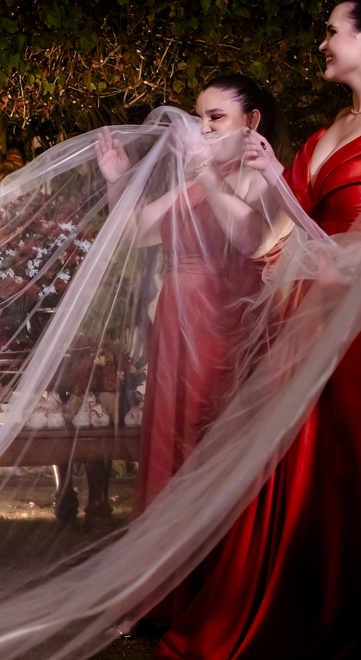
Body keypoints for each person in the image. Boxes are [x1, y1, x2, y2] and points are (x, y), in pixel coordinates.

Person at [156, 0, 361, 659]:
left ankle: (357, 613)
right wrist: (253, 178)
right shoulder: (325, 136)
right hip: (311, 318)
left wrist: (307, 233)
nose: (322, 43)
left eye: (331, 31)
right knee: (296, 473)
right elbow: (258, 240)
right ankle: (297, 609)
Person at [96, 75, 282, 517]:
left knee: (210, 432)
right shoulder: (197, 182)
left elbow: (247, 238)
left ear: (252, 120)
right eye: (201, 118)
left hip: (223, 328)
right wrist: (118, 182)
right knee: (172, 437)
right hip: (175, 330)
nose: (204, 129)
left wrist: (203, 171)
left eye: (216, 117)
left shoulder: (265, 179)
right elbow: (134, 233)